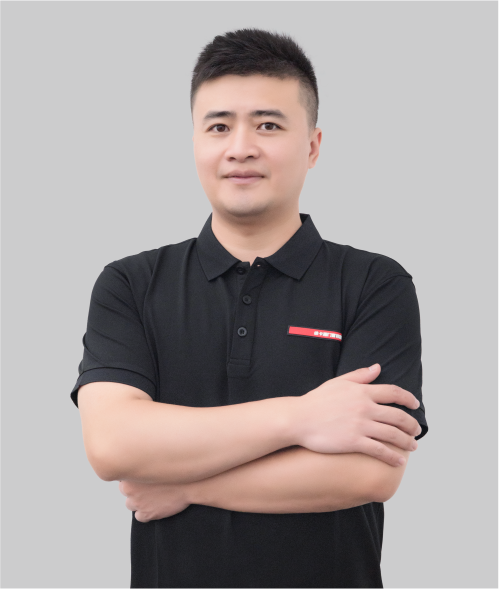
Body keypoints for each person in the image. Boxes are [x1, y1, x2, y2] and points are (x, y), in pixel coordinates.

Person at [71, 28, 428, 589]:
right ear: (194, 142)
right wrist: (302, 418)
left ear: (312, 146)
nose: (240, 147)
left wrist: (186, 485)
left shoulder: (374, 284)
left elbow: (368, 473)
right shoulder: (131, 284)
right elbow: (114, 444)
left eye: (268, 125)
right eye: (219, 127)